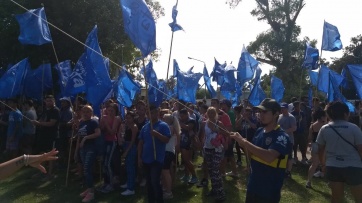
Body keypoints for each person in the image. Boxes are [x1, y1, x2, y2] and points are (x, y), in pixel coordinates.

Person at [231, 98, 291, 203]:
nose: (260, 114)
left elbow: (269, 157)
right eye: (259, 111)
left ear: (276, 114)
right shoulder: (259, 131)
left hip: (269, 192)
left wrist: (245, 143)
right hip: (253, 186)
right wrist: (242, 144)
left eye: (265, 112)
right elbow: (252, 153)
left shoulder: (281, 136)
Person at [317, 102, 362, 203]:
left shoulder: (324, 129)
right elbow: (361, 149)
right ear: (346, 114)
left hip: (333, 166)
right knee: (359, 198)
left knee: (336, 198)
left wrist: (323, 164)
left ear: (328, 114)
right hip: (354, 166)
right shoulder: (354, 128)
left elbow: (320, 149)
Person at [138, 104, 171, 203]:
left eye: (153, 112)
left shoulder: (163, 125)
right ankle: (151, 200)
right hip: (146, 158)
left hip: (157, 158)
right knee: (149, 182)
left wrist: (156, 134)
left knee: (155, 181)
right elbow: (140, 143)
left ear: (157, 113)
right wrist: (139, 157)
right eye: (149, 113)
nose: (151, 115)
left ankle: (159, 200)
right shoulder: (145, 127)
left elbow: (166, 139)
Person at [75, 105, 101, 203]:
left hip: (91, 148)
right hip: (83, 149)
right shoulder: (82, 122)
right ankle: (89, 188)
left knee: (87, 169)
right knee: (85, 170)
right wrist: (76, 150)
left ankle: (91, 193)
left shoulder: (93, 122)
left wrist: (86, 138)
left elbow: (98, 133)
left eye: (88, 111)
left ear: (91, 113)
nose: (85, 113)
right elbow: (79, 136)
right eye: (84, 111)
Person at [202, 107, 228, 202]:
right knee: (210, 170)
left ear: (215, 114)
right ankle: (214, 189)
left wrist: (217, 130)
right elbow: (204, 135)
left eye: (213, 113)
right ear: (207, 114)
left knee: (215, 171)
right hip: (207, 148)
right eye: (209, 113)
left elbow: (227, 133)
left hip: (217, 149)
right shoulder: (205, 123)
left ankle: (220, 193)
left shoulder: (219, 123)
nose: (211, 115)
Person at [32, 95, 60, 180]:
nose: (48, 102)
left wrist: (39, 123)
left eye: (50, 101)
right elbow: (41, 120)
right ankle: (42, 172)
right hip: (43, 135)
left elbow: (51, 123)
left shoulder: (55, 111)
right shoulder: (45, 110)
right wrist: (35, 122)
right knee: (42, 153)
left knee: (50, 154)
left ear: (54, 101)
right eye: (47, 101)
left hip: (52, 136)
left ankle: (50, 174)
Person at [98, 103, 121, 193]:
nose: (110, 112)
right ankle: (106, 182)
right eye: (109, 110)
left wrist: (106, 123)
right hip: (104, 142)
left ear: (115, 111)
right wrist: (102, 123)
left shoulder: (117, 118)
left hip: (112, 142)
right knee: (103, 163)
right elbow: (101, 129)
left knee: (108, 164)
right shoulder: (104, 117)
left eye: (112, 111)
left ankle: (111, 184)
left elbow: (112, 132)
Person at [306, 110, 326, 188]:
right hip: (323, 146)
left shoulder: (312, 125)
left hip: (314, 145)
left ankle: (308, 181)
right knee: (324, 163)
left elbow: (309, 138)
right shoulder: (325, 126)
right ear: (321, 117)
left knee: (314, 164)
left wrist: (310, 143)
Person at [120, 111, 138, 196]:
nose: (127, 119)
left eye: (129, 118)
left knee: (131, 167)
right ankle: (129, 182)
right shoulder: (126, 126)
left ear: (133, 118)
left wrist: (126, 151)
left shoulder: (134, 127)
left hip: (131, 147)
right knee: (127, 166)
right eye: (126, 118)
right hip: (126, 145)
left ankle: (131, 188)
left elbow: (132, 141)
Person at [179, 108, 198, 184]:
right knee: (185, 160)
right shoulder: (183, 120)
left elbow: (188, 127)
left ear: (187, 114)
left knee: (187, 160)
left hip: (189, 142)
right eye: (180, 116)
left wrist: (180, 124)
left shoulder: (191, 120)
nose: (181, 117)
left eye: (183, 116)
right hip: (183, 141)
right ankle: (187, 175)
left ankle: (194, 176)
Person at [278, 102, 296, 178]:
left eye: (284, 108)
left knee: (289, 156)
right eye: (281, 108)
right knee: (281, 154)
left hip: (289, 139)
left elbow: (294, 128)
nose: (282, 109)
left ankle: (288, 171)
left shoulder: (291, 117)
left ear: (287, 108)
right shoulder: (279, 116)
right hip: (280, 139)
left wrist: (284, 131)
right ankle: (281, 169)